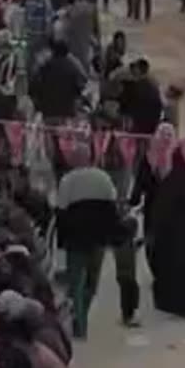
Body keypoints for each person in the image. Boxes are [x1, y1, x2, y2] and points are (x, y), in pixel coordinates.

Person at [131, 123, 185, 318]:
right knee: (159, 258)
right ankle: (168, 301)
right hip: (158, 218)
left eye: (170, 134)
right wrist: (132, 202)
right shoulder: (149, 159)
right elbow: (141, 184)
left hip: (182, 219)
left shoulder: (178, 156)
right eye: (163, 134)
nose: (166, 138)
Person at [55, 143, 119, 339]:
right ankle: (82, 315)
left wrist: (61, 241)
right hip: (97, 238)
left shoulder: (67, 180)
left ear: (75, 159)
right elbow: (112, 210)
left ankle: (79, 323)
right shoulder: (104, 178)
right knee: (92, 282)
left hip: (76, 239)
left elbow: (61, 213)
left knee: (76, 282)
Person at [31, 40, 86, 124]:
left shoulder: (45, 67)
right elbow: (79, 87)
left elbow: (35, 85)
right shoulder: (72, 67)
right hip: (67, 110)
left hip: (48, 110)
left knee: (49, 133)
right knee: (64, 135)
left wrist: (38, 104)